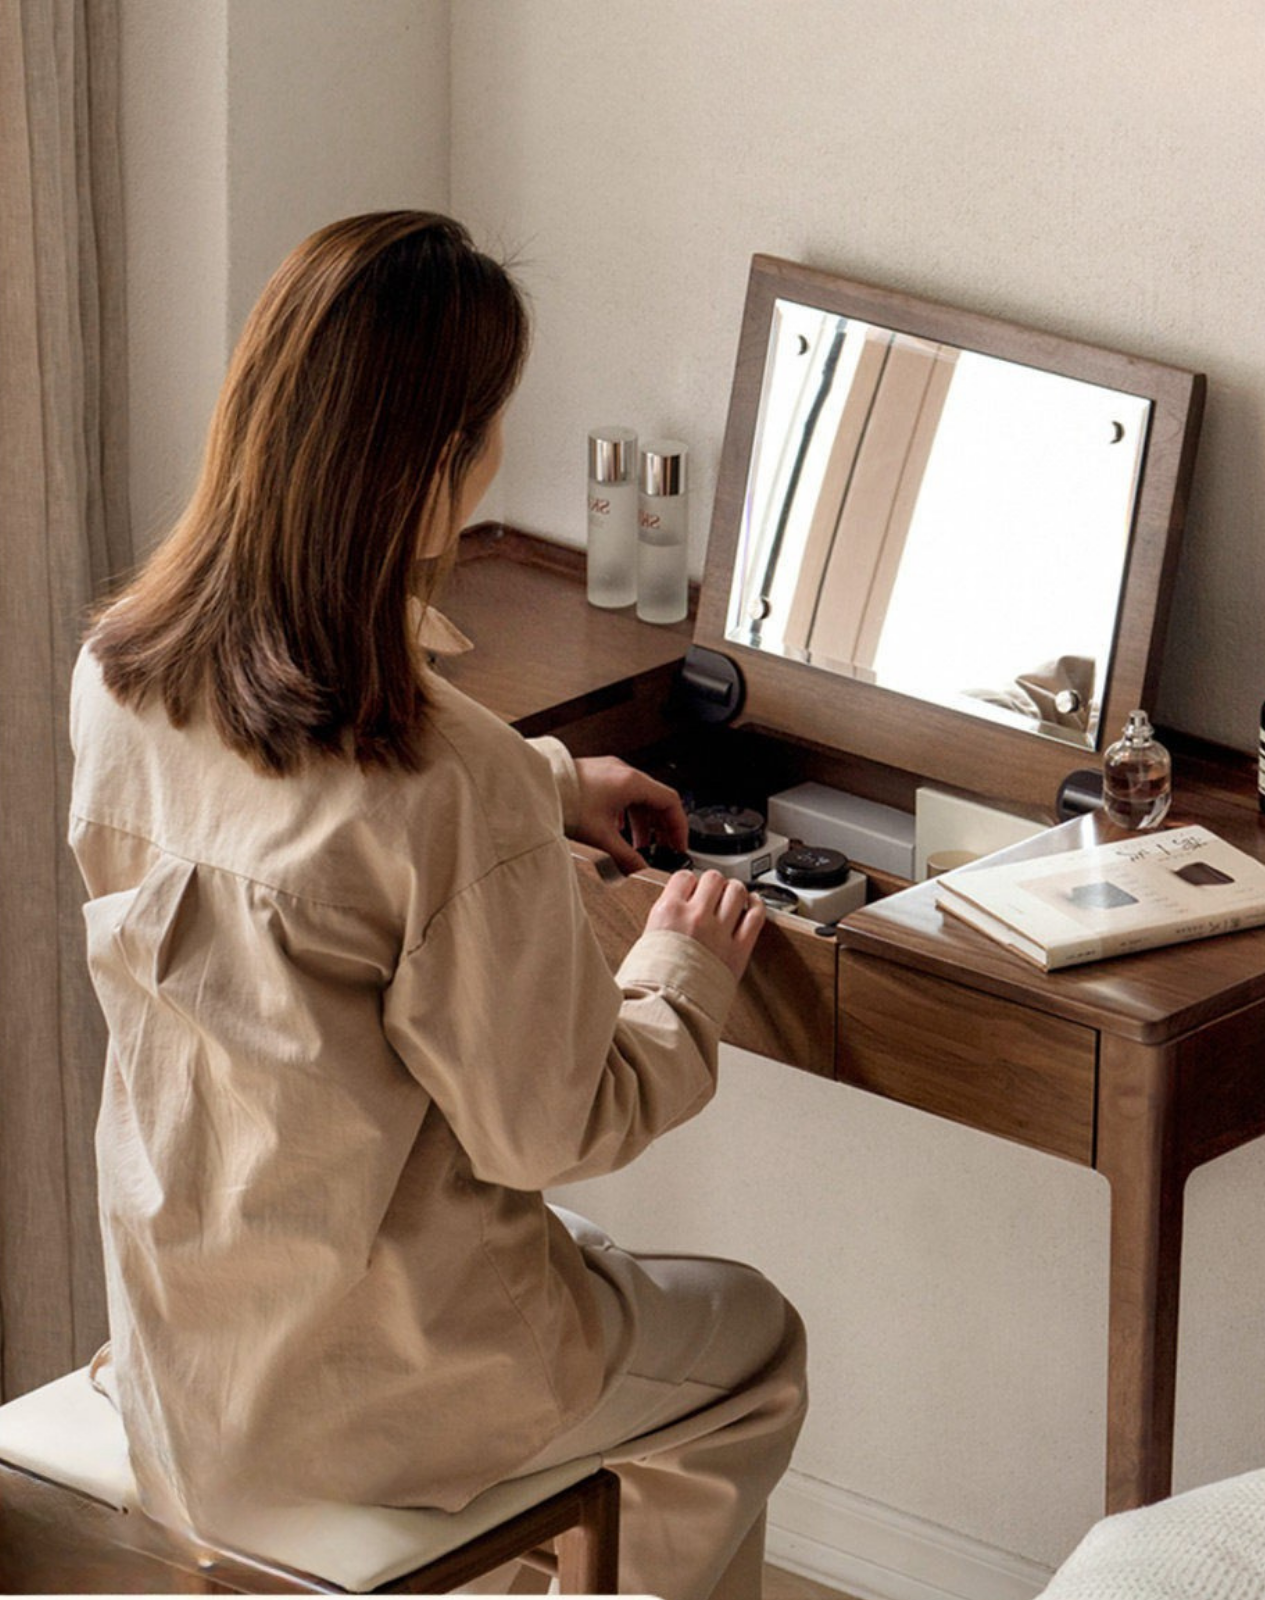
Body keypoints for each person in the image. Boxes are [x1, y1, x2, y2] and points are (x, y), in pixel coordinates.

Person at [68, 211, 805, 1600]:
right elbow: (553, 1128)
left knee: (567, 1273)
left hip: (187, 1357)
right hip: (378, 1394)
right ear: (438, 466)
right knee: (753, 1346)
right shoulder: (444, 783)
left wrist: (537, 784)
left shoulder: (118, 678)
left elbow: (297, 835)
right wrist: (676, 973)